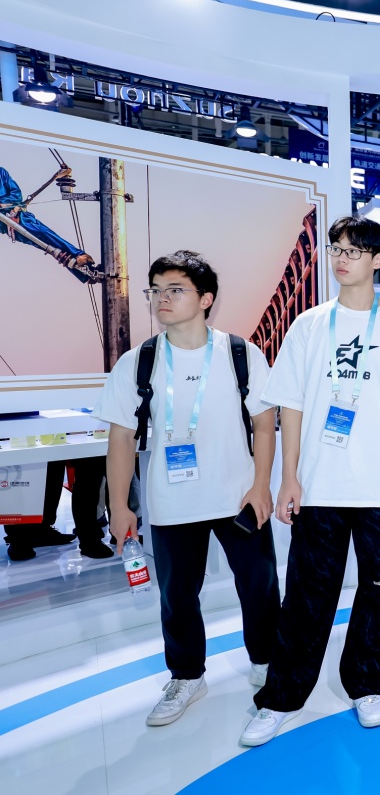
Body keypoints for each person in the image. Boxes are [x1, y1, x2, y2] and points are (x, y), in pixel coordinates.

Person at [240, 216, 380, 747]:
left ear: (378, 260)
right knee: (307, 595)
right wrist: (289, 477)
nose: (341, 258)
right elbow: (292, 406)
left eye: (354, 250)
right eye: (336, 249)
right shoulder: (309, 324)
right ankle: (281, 697)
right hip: (320, 484)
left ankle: (366, 683)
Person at [92, 251, 279, 728]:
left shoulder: (240, 353)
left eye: (175, 289)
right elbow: (121, 438)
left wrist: (261, 485)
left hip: (238, 496)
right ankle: (187, 676)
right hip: (172, 500)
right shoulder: (139, 362)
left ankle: (266, 662)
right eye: (156, 290)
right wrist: (120, 506)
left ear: (206, 298)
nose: (162, 298)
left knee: (259, 586)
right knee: (177, 596)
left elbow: (264, 424)